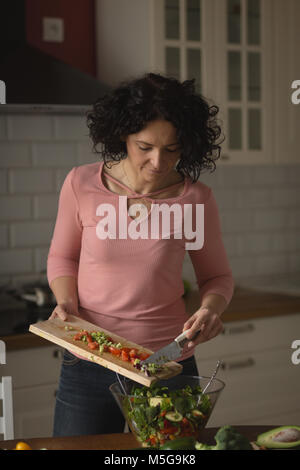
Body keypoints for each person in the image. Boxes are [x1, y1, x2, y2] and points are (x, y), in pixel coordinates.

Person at [47, 72, 234, 437]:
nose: (159, 162)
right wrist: (66, 303)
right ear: (123, 134)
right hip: (88, 359)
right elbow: (62, 257)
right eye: (145, 146)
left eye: (173, 148)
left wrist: (211, 310)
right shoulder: (80, 184)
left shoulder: (196, 200)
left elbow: (217, 278)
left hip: (167, 364)